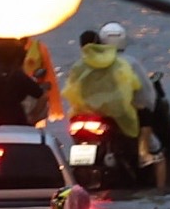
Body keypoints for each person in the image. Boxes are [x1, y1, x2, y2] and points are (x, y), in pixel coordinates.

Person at [62, 29, 146, 173]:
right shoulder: (115, 63)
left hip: (81, 115)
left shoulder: (79, 66)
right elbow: (130, 85)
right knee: (134, 140)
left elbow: (71, 88)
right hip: (107, 115)